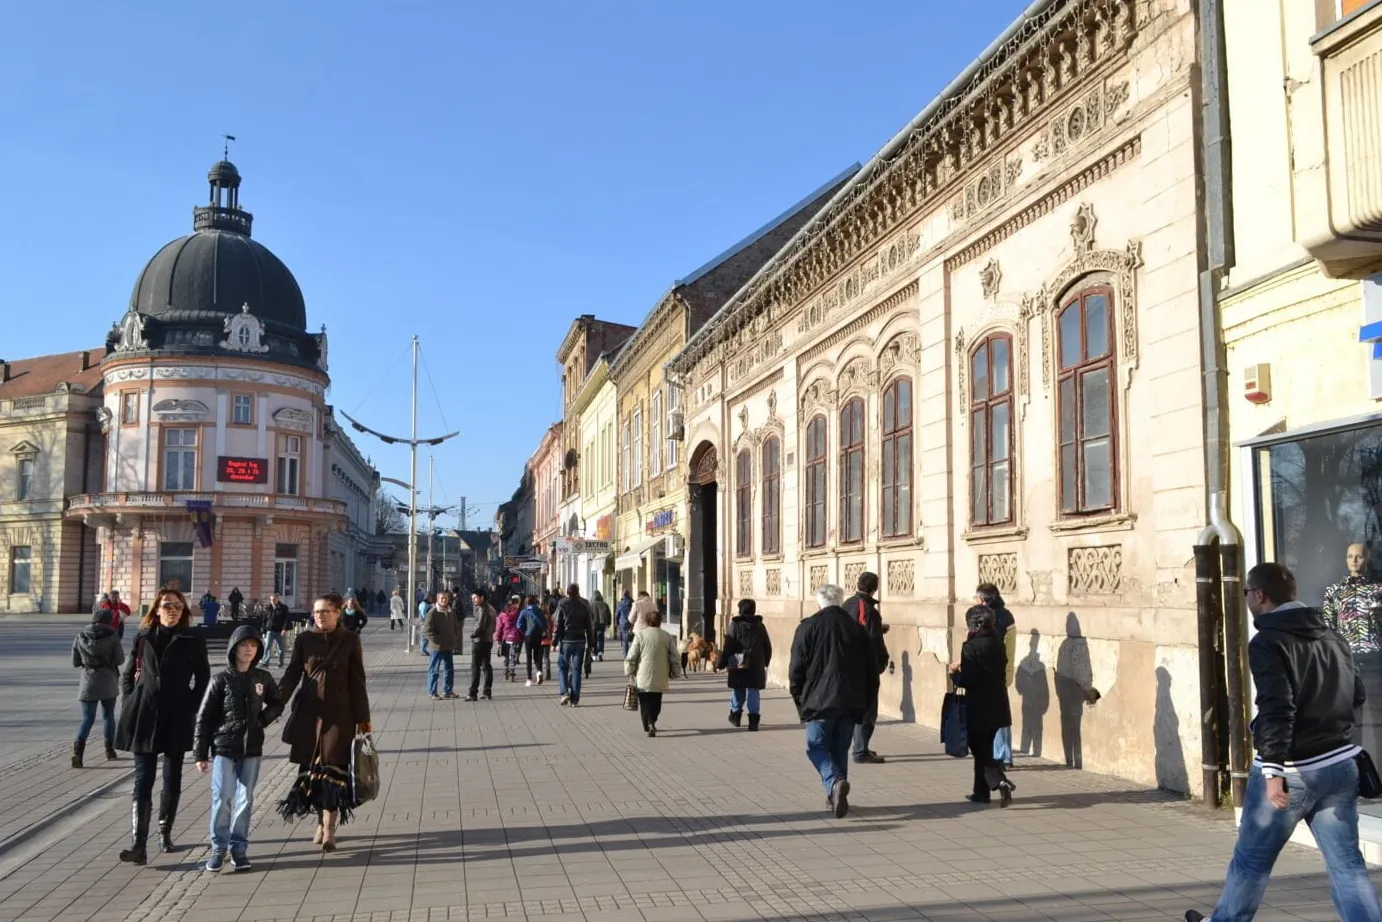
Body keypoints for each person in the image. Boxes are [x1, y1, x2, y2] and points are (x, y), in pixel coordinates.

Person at [1186, 562, 1381, 922]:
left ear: (1259, 595)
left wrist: (1273, 768)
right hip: (1340, 766)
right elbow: (1355, 696)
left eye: (1246, 592)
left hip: (1292, 772)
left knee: (1251, 863)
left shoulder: (1267, 641)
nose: (1246, 598)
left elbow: (1277, 706)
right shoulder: (1333, 636)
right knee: (1348, 866)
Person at [115, 588, 211, 864]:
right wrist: (130, 698)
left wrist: (190, 705)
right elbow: (130, 672)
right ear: (156, 609)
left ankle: (164, 832)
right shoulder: (144, 637)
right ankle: (138, 844)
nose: (172, 610)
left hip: (176, 714)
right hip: (144, 713)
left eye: (178, 606)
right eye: (167, 605)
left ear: (183, 612)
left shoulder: (192, 639)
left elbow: (203, 679)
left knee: (172, 776)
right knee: (142, 778)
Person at [276, 593, 371, 852]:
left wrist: (364, 722)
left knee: (333, 773)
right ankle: (320, 820)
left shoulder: (350, 641)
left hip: (340, 718)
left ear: (337, 613)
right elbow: (293, 672)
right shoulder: (304, 639)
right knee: (314, 774)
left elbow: (358, 682)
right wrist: (278, 699)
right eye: (316, 611)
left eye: (325, 611)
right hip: (310, 717)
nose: (319, 615)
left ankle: (329, 830)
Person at [193, 624, 284, 872]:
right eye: (244, 645)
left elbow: (277, 702)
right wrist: (200, 753)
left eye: (253, 646)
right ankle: (218, 847)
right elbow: (204, 717)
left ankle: (239, 848)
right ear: (234, 649)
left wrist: (261, 721)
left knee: (245, 799)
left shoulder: (262, 678)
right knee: (222, 797)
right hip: (224, 747)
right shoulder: (220, 680)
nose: (249, 650)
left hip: (252, 748)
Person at [788, 584, 877, 819]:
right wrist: (866, 701)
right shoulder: (857, 630)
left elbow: (796, 668)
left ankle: (834, 782)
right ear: (839, 601)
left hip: (819, 700)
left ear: (819, 602)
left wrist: (799, 698)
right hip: (850, 700)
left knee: (816, 747)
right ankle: (834, 795)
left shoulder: (808, 627)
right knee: (839, 748)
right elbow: (871, 671)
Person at [949, 605, 1016, 807]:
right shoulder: (998, 643)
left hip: (978, 706)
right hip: (997, 704)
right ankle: (981, 792)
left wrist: (955, 673)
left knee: (980, 750)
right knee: (984, 747)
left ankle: (1000, 781)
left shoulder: (970, 646)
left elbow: (968, 679)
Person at [844, 572, 889, 764]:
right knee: (868, 710)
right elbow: (873, 641)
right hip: (864, 667)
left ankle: (860, 747)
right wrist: (881, 662)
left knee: (854, 707)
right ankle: (860, 751)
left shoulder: (847, 605)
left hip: (847, 665)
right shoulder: (869, 610)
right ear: (875, 588)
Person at [72, 609, 125, 768]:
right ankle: (110, 751)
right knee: (108, 715)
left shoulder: (81, 635)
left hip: (88, 680)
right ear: (109, 621)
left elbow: (75, 661)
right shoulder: (113, 636)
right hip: (108, 679)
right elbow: (120, 659)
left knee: (87, 719)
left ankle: (78, 754)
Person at [976, 582, 1017, 768]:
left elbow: (990, 645)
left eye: (976, 597)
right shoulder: (1006, 614)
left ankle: (999, 756)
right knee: (1001, 714)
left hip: (993, 671)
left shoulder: (990, 617)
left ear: (983, 599)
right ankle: (1004, 755)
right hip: (1004, 670)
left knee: (994, 716)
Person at [716, 598, 772, 731]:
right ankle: (753, 721)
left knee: (738, 688)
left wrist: (722, 662)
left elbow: (728, 645)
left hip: (738, 662)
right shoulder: (760, 626)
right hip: (756, 664)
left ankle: (736, 715)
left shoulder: (735, 625)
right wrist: (766, 661)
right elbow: (767, 645)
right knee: (753, 691)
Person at [624, 607, 682, 736]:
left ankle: (647, 723)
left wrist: (629, 670)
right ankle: (652, 721)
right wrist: (676, 672)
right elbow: (675, 656)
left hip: (642, 675)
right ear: (660, 622)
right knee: (656, 701)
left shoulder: (640, 635)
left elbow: (632, 655)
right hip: (660, 675)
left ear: (647, 622)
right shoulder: (666, 636)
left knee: (644, 701)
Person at [555, 584, 596, 707]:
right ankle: (575, 700)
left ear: (567, 592)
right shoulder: (585, 604)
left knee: (562, 667)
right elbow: (589, 625)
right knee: (577, 670)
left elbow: (559, 624)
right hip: (580, 641)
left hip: (566, 640)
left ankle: (564, 693)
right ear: (578, 592)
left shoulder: (562, 604)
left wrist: (555, 640)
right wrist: (591, 643)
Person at [424, 591, 460, 700]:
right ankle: (432, 692)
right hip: (436, 647)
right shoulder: (432, 613)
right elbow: (427, 630)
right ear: (437, 599)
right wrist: (436, 640)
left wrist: (455, 637)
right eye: (442, 598)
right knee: (434, 670)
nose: (444, 600)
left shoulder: (451, 612)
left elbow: (455, 626)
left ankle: (447, 691)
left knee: (449, 670)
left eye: (445, 598)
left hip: (448, 645)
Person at [466, 590, 496, 701]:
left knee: (475, 667)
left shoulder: (483, 609)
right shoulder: (491, 608)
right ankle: (487, 691)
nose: (473, 600)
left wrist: (473, 635)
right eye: (472, 598)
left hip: (480, 641)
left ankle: (473, 693)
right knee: (486, 666)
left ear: (482, 597)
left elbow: (480, 626)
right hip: (488, 640)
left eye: (475, 598)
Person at [496, 596, 522, 682]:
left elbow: (499, 627)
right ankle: (512, 671)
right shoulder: (519, 613)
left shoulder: (502, 614)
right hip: (515, 637)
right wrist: (522, 637)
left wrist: (498, 638)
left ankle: (506, 669)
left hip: (505, 637)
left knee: (505, 655)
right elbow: (521, 626)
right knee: (513, 655)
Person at [265, 592, 291, 668]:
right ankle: (265, 662)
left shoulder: (283, 607)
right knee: (267, 647)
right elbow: (264, 619)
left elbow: (286, 619)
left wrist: (284, 629)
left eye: (274, 600)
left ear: (277, 599)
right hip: (270, 630)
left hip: (279, 631)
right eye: (271, 600)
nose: (272, 601)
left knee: (281, 648)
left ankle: (281, 662)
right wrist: (264, 630)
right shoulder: (268, 608)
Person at [591, 591, 612, 662]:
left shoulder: (591, 604)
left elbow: (588, 615)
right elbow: (609, 614)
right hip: (602, 624)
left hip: (593, 625)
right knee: (600, 639)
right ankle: (600, 653)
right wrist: (609, 623)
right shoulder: (605, 604)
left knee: (593, 639)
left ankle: (594, 654)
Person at [616, 590, 633, 657]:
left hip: (623, 622)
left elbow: (617, 614)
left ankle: (626, 655)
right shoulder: (633, 602)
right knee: (633, 639)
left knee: (625, 640)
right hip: (631, 622)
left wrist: (617, 623)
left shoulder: (620, 603)